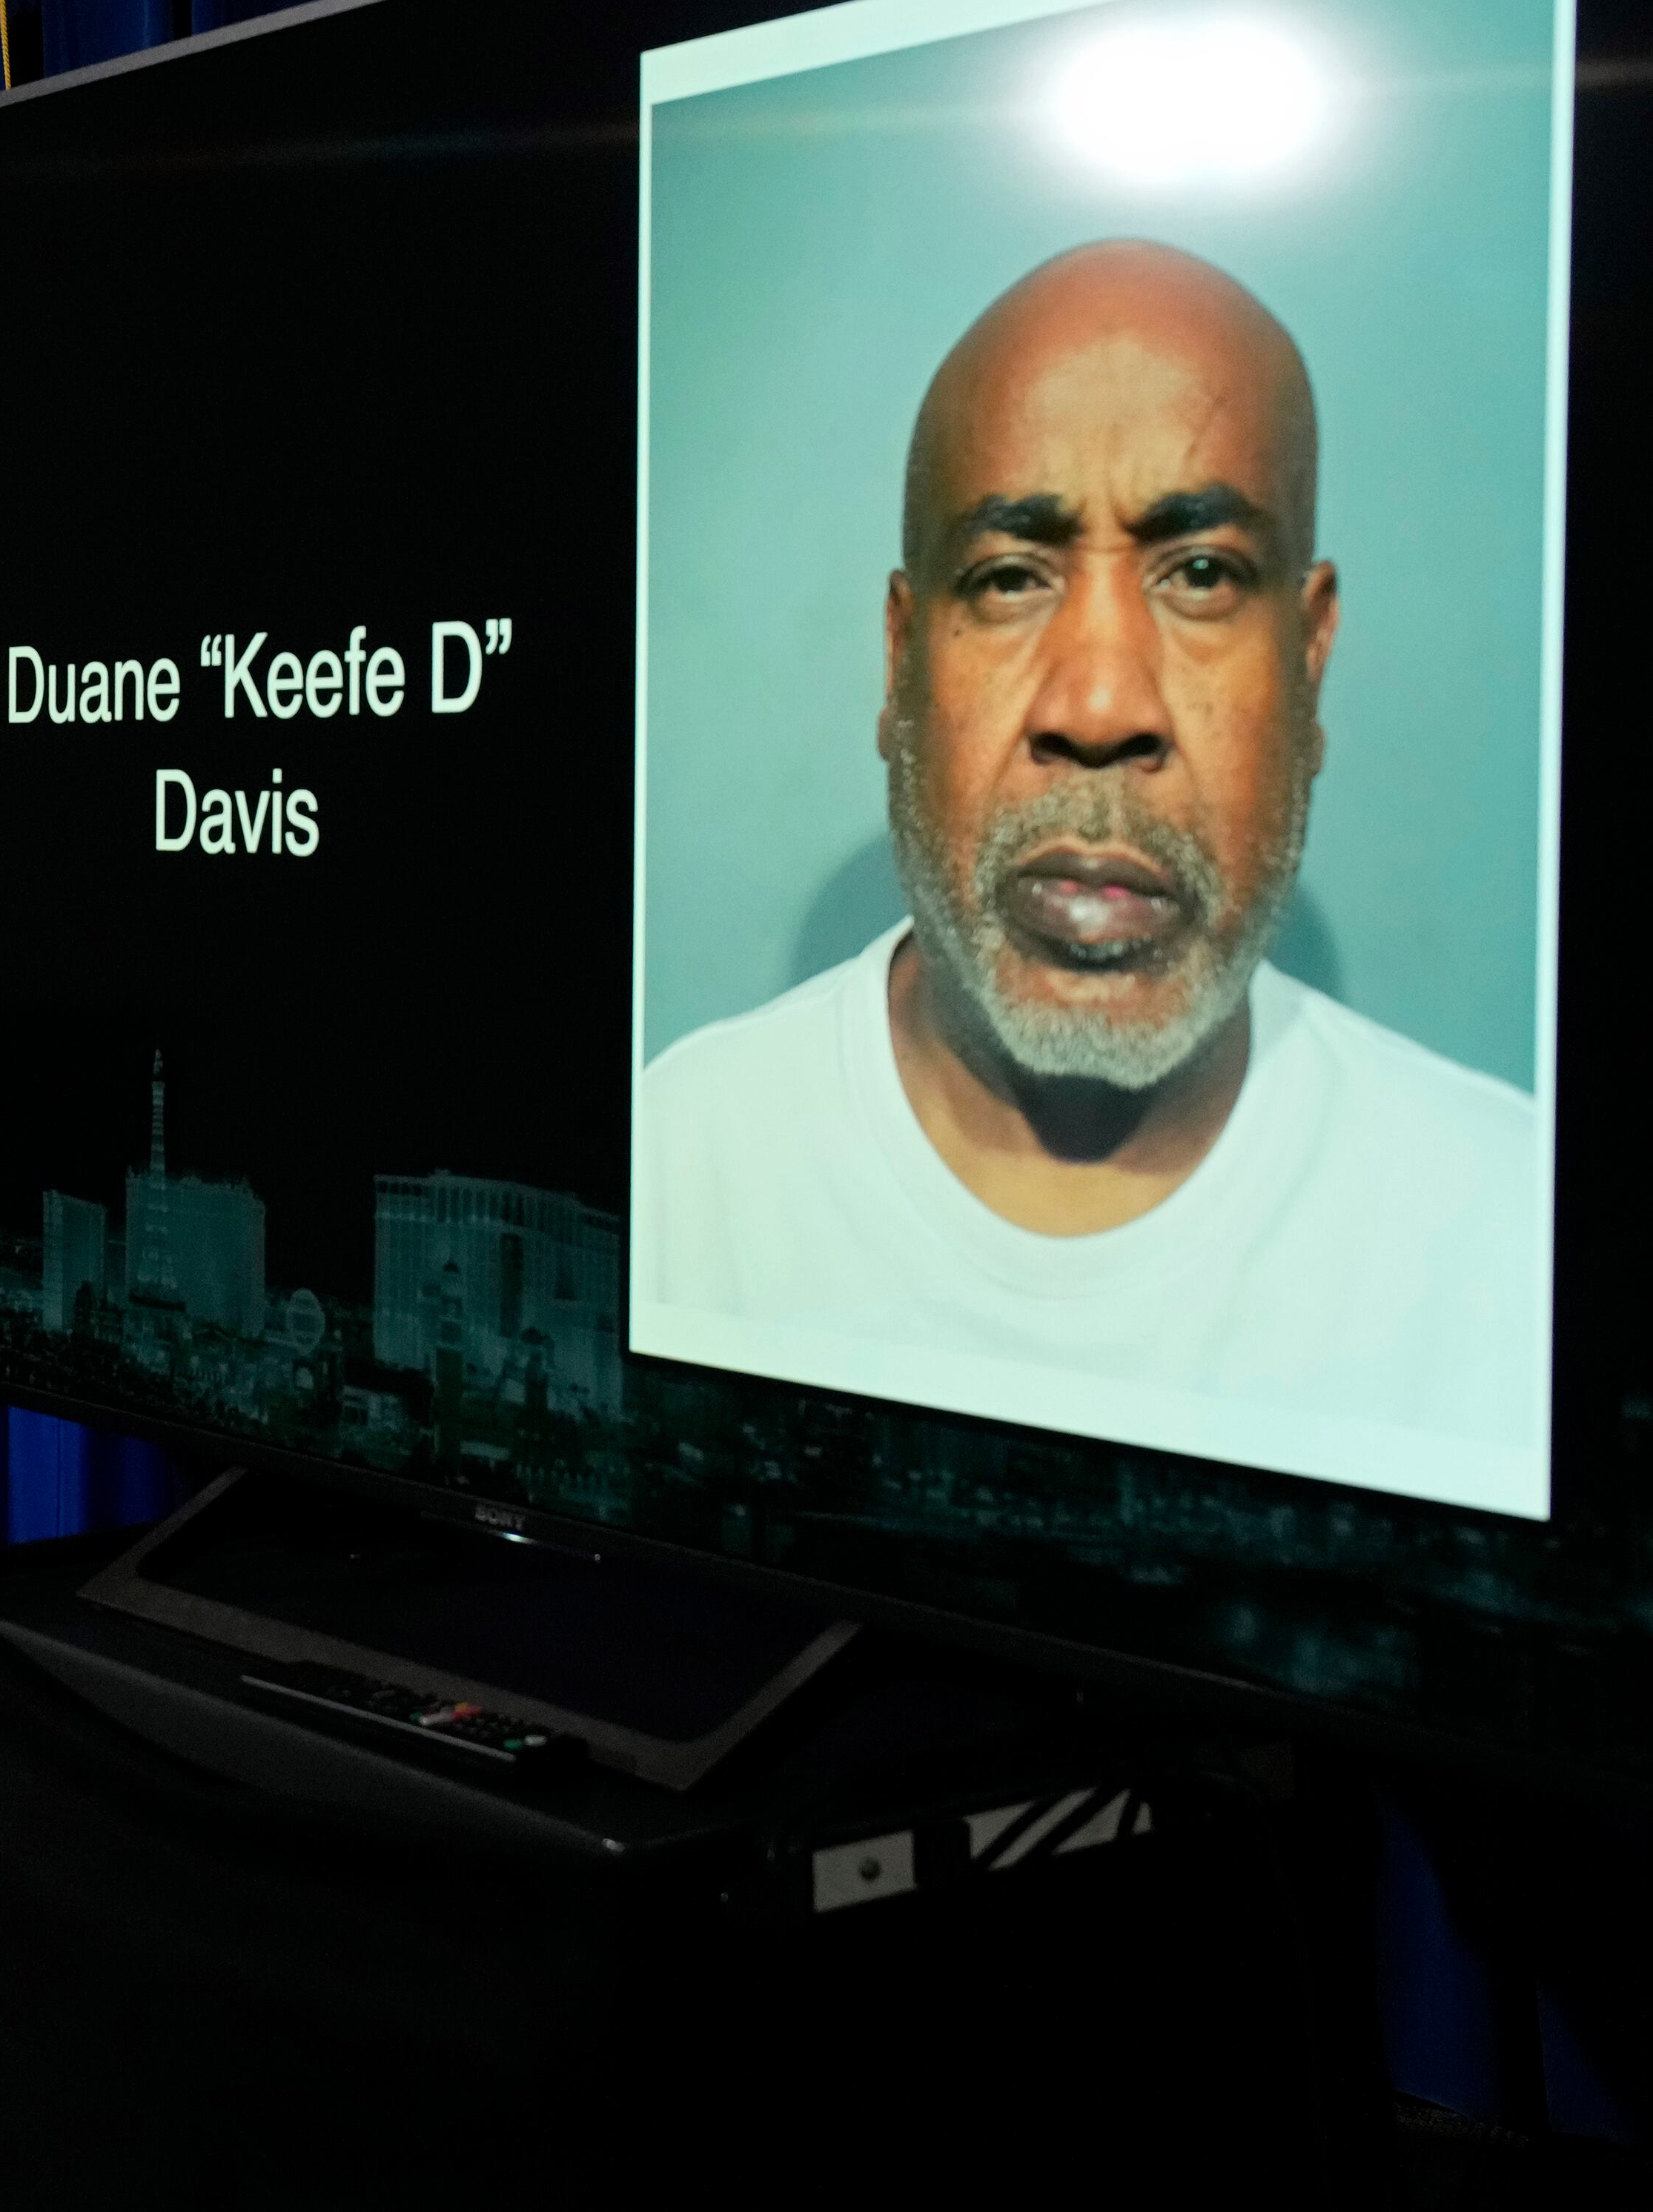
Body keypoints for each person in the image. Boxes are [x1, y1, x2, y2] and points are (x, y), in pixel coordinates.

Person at [637, 240, 1540, 1469]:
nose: (1103, 704)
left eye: (1203, 574)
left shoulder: (1508, 1236)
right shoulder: (672, 1173)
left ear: (1310, 657)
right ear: (899, 665)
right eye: (1010, 578)